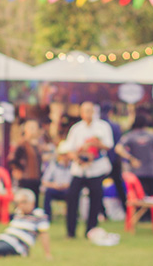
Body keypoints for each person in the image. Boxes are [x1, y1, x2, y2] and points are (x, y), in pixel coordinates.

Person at [64, 102, 114, 238]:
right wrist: (77, 158)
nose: (88, 114)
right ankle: (71, 231)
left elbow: (109, 145)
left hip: (96, 169)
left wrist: (95, 144)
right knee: (72, 197)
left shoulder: (102, 127)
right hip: (79, 169)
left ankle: (91, 230)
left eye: (90, 111)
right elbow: (69, 148)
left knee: (95, 199)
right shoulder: (76, 128)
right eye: (85, 111)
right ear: (81, 113)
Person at [115, 114, 153, 196]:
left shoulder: (130, 135)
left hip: (137, 171)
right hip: (151, 170)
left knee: (139, 196)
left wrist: (131, 159)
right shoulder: (151, 135)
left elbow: (118, 148)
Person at [11, 119, 43, 207]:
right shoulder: (22, 144)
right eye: (31, 128)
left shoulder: (37, 145)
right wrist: (19, 171)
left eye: (34, 128)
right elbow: (13, 159)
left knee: (34, 203)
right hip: (25, 179)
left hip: (35, 178)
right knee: (24, 201)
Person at [41, 141, 73, 222]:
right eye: (63, 155)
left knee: (73, 193)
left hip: (68, 190)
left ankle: (71, 217)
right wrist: (53, 185)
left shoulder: (73, 166)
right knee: (48, 192)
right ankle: (47, 217)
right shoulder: (54, 165)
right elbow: (44, 181)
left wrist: (67, 185)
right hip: (55, 189)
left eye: (66, 155)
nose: (64, 157)